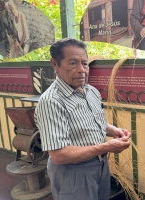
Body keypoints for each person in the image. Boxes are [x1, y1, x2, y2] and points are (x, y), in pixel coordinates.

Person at [34, 38, 131, 200]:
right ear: (55, 64)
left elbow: (92, 122)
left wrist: (114, 130)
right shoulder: (51, 101)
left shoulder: (91, 91)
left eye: (84, 64)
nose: (81, 70)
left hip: (100, 166)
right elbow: (59, 155)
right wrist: (105, 146)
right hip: (72, 173)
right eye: (73, 63)